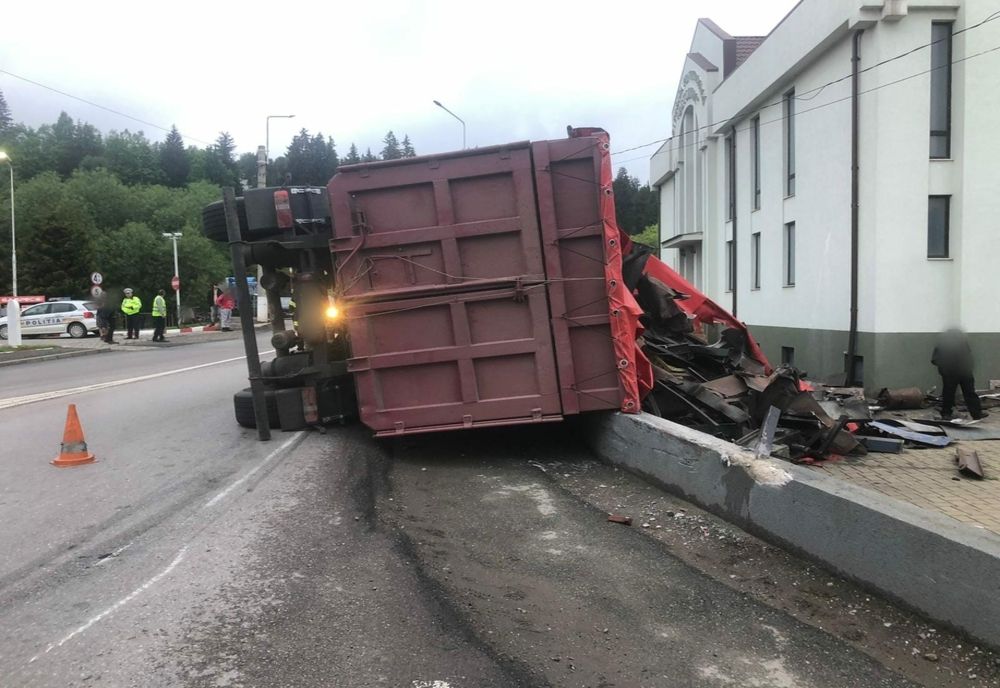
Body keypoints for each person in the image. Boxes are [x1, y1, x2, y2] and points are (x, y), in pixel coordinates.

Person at [932, 327, 988, 420]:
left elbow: (967, 356)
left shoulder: (962, 344)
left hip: (964, 371)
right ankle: (946, 413)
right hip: (950, 373)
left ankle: (977, 413)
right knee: (949, 394)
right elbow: (935, 360)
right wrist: (946, 366)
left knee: (970, 393)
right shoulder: (942, 346)